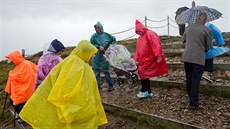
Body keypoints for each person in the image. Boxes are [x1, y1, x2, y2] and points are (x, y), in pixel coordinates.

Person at [19, 40, 107, 129]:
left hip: (52, 91)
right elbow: (67, 85)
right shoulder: (74, 62)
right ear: (84, 51)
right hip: (67, 101)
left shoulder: (79, 62)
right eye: (90, 53)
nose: (92, 56)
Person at [181, 12, 212, 109]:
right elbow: (208, 47)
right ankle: (193, 103)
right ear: (202, 19)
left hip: (187, 57)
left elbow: (183, 40)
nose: (205, 21)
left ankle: (191, 98)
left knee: (189, 78)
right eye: (205, 19)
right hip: (198, 58)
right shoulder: (207, 30)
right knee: (195, 80)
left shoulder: (188, 28)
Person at [134, 19, 168, 98]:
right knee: (143, 74)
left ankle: (144, 91)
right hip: (143, 60)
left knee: (142, 73)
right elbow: (138, 50)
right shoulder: (139, 39)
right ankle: (148, 91)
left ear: (141, 28)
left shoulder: (150, 34)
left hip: (150, 58)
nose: (138, 32)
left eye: (138, 30)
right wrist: (135, 59)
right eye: (137, 31)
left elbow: (155, 44)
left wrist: (158, 55)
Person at [90, 21, 116, 91]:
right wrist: (98, 46)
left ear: (101, 27)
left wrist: (112, 45)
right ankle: (98, 88)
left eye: (98, 27)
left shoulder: (106, 34)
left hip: (105, 56)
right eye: (96, 28)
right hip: (97, 57)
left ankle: (111, 86)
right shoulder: (94, 36)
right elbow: (91, 44)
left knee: (106, 72)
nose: (97, 29)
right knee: (97, 73)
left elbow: (114, 39)